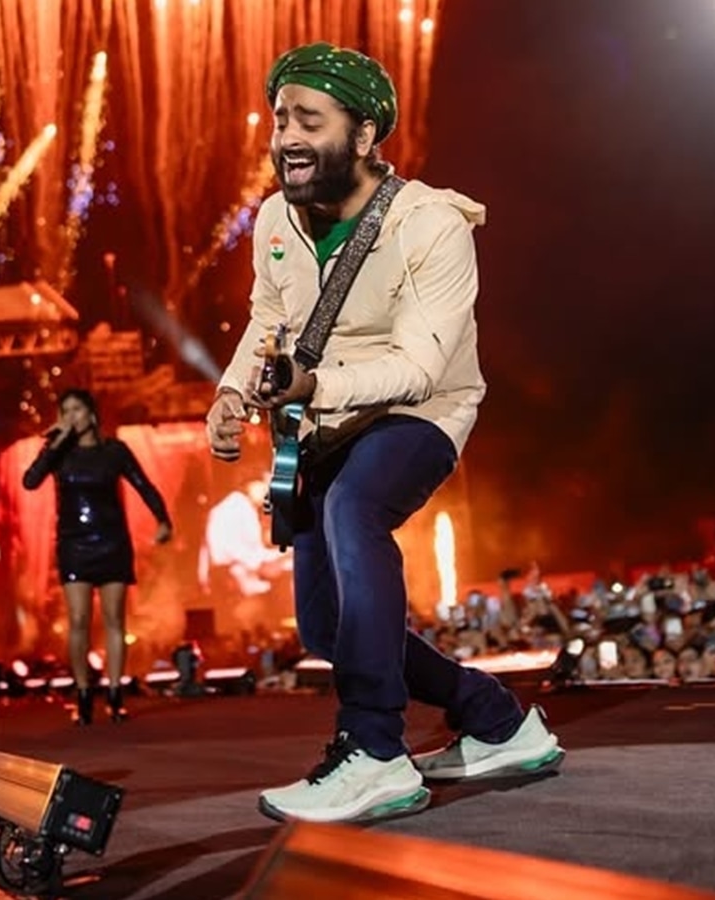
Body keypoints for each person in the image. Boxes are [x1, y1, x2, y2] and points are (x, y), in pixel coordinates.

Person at [206, 42, 564, 824]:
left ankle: (374, 751)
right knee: (325, 625)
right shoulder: (275, 219)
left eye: (310, 121)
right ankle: (498, 722)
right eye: (280, 120)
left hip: (421, 411)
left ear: (365, 135)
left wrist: (313, 385)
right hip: (325, 422)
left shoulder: (430, 224)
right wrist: (231, 392)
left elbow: (422, 367)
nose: (287, 137)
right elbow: (269, 318)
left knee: (355, 507)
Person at [23, 389, 173, 724]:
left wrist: (163, 520)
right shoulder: (59, 452)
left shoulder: (114, 451)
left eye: (77, 409)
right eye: (65, 410)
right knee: (78, 619)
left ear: (91, 414)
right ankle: (83, 692)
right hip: (73, 543)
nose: (71, 416)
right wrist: (53, 444)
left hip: (111, 541)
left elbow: (143, 485)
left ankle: (116, 693)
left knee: (114, 619)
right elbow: (30, 481)